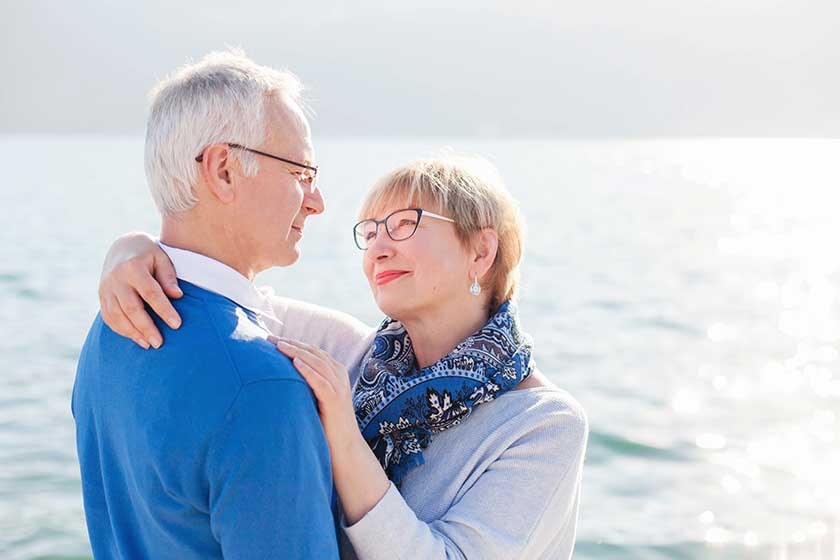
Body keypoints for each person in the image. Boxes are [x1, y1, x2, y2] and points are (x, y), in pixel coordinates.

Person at [99, 153, 589, 559]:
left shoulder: (544, 424)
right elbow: (220, 292)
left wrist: (345, 438)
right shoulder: (353, 355)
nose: (377, 248)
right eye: (370, 231)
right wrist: (131, 249)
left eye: (402, 225)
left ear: (481, 252)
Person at [72, 50, 344, 559]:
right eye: (302, 171)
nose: (317, 199)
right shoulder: (262, 387)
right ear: (222, 170)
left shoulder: (110, 327)